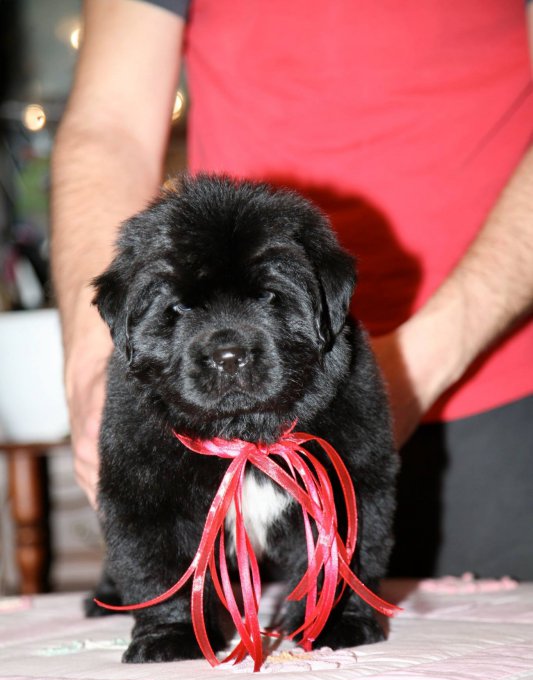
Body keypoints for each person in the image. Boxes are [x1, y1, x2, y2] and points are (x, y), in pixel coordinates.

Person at [51, 0, 533, 579]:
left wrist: (404, 371)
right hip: (206, 419)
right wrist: (92, 364)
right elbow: (110, 126)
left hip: (494, 375)